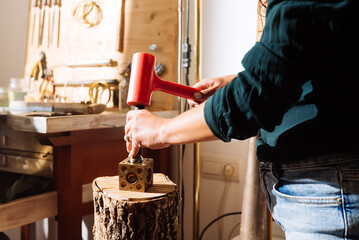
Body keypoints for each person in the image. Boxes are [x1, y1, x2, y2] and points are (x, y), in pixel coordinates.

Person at [125, 0, 359, 239]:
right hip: (329, 193)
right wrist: (234, 83)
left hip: (333, 195)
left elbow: (260, 92)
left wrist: (162, 130)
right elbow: (311, 63)